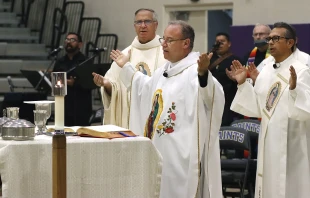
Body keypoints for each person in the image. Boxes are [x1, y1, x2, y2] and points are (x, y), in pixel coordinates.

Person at [110, 20, 224, 198]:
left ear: (186, 43)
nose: (163, 44)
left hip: (182, 158)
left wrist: (203, 75)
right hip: (160, 152)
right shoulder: (165, 71)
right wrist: (126, 66)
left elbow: (211, 97)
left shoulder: (194, 71)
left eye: (169, 40)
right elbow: (144, 89)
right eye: (164, 39)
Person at [229, 22, 310, 198]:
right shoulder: (266, 69)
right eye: (269, 38)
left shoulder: (302, 69)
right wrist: (243, 83)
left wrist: (295, 89)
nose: (271, 42)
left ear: (290, 43)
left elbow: (305, 109)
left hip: (293, 139)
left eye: (276, 38)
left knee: (292, 186)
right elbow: (258, 106)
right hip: (268, 139)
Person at [92, 8, 166, 128]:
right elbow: (115, 88)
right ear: (134, 26)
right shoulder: (124, 55)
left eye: (147, 21)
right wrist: (106, 84)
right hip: (130, 121)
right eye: (139, 22)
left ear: (155, 24)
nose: (142, 26)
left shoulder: (165, 53)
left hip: (156, 117)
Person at [53, 32, 92, 126]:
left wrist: (74, 83)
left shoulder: (85, 61)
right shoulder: (60, 62)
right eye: (67, 39)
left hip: (81, 106)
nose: (68, 42)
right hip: (63, 105)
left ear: (80, 44)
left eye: (72, 40)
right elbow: (55, 80)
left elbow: (90, 83)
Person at [209, 32, 243, 126]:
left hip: (228, 99)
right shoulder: (209, 58)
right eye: (217, 42)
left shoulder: (235, 60)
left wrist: (234, 79)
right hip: (212, 98)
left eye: (222, 41)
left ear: (229, 44)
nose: (219, 44)